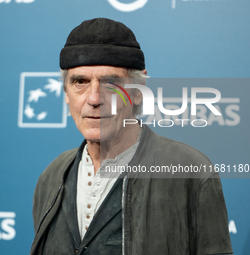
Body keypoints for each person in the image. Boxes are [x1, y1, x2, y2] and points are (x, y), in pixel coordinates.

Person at [30, 18, 233, 255]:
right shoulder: (51, 177)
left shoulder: (190, 171)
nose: (94, 99)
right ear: (66, 92)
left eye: (111, 83)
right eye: (80, 82)